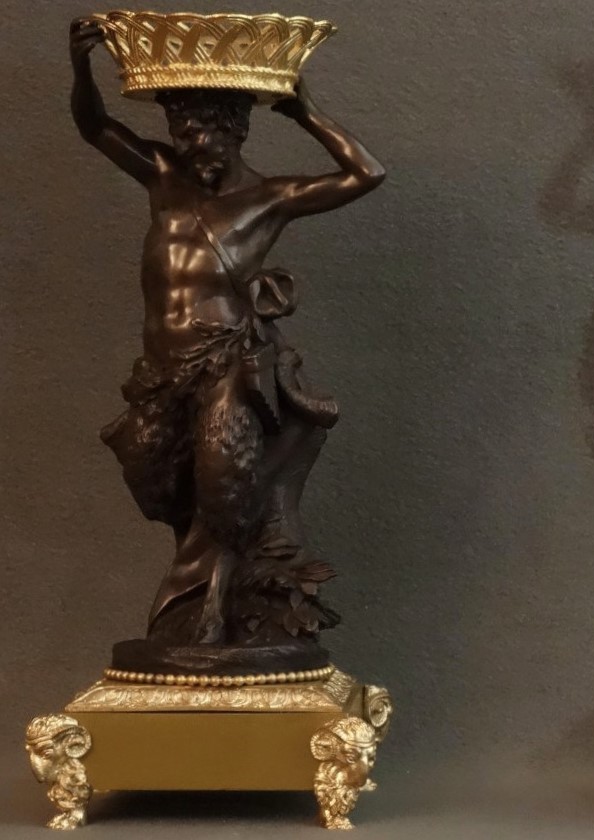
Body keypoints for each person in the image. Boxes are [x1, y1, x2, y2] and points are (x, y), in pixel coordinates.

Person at [69, 19, 386, 644]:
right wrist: (81, 66)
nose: (188, 144)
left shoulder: (270, 197)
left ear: (233, 131)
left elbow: (365, 174)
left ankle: (213, 602)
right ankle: (207, 588)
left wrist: (305, 111)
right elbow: (95, 126)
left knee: (224, 481)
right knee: (155, 484)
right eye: (179, 131)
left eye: (200, 132)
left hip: (225, 361)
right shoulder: (163, 177)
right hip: (161, 371)